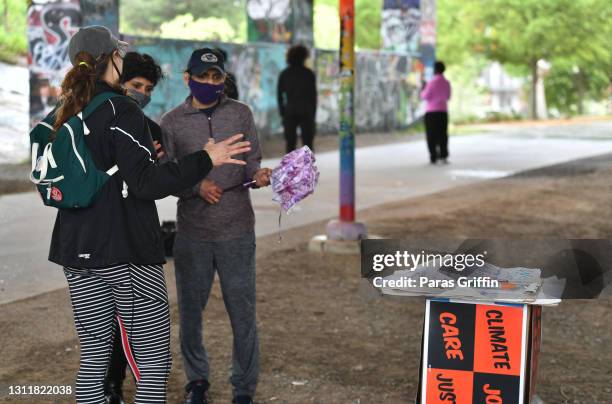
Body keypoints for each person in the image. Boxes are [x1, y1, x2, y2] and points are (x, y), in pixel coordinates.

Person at [46, 26, 250, 404]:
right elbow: (147, 183)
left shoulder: (65, 110)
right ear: (113, 59)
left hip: (75, 250)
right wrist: (208, 157)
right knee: (152, 360)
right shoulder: (121, 110)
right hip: (125, 252)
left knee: (94, 354)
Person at [160, 48, 272, 404]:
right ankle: (197, 383)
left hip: (238, 232)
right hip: (192, 235)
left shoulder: (241, 113)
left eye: (216, 77)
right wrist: (196, 186)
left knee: (242, 313)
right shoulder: (172, 122)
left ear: (224, 78)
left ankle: (243, 388)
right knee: (191, 314)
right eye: (202, 76)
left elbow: (252, 160)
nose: (209, 83)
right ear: (187, 77)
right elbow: (166, 177)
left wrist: (259, 175)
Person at [103, 51, 165, 404]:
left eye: (147, 88)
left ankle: (138, 387)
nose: (141, 92)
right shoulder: (95, 121)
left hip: (137, 232)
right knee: (107, 324)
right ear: (119, 83)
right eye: (135, 85)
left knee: (138, 321)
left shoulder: (152, 130)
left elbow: (151, 183)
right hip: (103, 235)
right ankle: (110, 387)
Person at [277, 44, 317, 153]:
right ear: (304, 57)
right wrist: (312, 115)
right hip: (306, 111)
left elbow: (279, 96)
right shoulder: (309, 74)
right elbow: (313, 97)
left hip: (290, 111)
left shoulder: (285, 74)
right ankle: (307, 169)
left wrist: (283, 113)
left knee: (290, 145)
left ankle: (291, 169)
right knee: (308, 145)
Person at [421, 61, 452, 164]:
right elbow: (448, 96)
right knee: (443, 134)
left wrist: (423, 88)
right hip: (443, 111)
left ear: (434, 70)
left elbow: (424, 96)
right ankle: (443, 155)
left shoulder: (431, 83)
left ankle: (433, 156)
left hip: (431, 113)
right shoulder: (447, 83)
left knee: (431, 135)